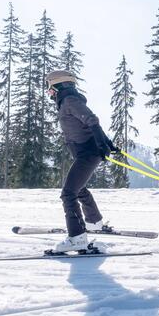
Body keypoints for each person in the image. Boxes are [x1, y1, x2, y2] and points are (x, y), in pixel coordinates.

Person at [46, 70, 118, 253]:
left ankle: (77, 238)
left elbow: (92, 119)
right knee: (78, 189)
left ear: (57, 87)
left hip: (88, 153)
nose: (48, 93)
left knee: (68, 193)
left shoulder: (70, 101)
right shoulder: (67, 101)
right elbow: (88, 124)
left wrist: (103, 143)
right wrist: (105, 142)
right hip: (86, 152)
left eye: (49, 88)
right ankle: (94, 222)